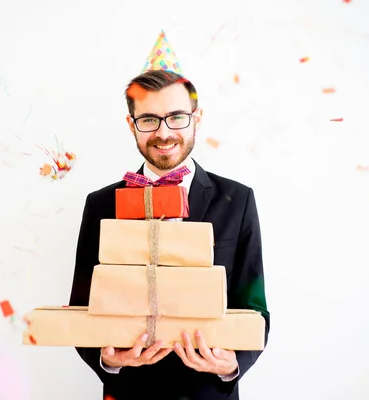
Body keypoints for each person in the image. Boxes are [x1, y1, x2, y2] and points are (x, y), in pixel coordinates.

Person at [68, 67, 270, 400]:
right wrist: (107, 361)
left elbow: (256, 307)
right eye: (148, 119)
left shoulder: (239, 200)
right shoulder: (101, 204)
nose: (163, 133)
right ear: (131, 125)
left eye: (176, 117)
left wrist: (230, 365)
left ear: (197, 118)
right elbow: (82, 306)